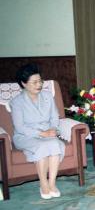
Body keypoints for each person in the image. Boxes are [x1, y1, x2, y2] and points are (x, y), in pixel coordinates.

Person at [11, 63, 64, 199]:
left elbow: (54, 117)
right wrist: (42, 134)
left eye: (40, 81)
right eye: (34, 82)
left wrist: (53, 129)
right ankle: (43, 184)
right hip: (25, 136)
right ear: (23, 84)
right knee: (43, 145)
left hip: (47, 132)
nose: (39, 85)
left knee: (54, 144)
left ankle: (52, 183)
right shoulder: (17, 102)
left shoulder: (47, 96)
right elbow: (20, 127)